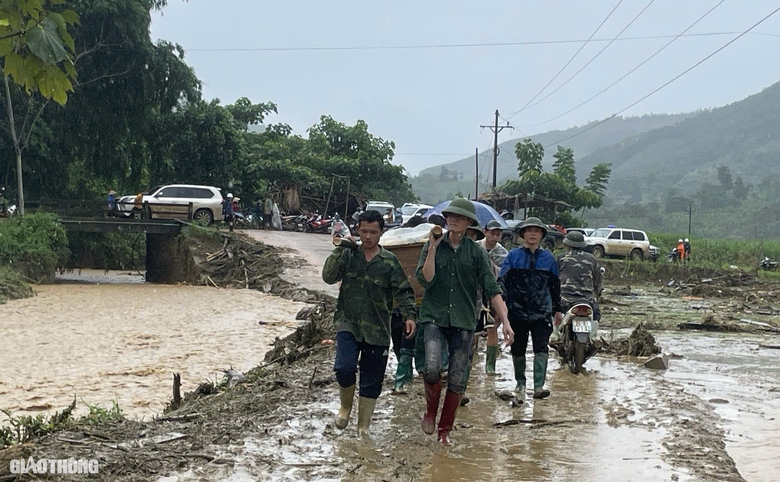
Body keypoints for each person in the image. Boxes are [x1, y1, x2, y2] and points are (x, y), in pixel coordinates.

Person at [416, 197, 513, 445]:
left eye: (458, 216)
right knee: (433, 367)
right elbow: (425, 280)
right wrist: (434, 248)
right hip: (434, 316)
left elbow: (492, 289)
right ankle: (430, 412)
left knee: (459, 377)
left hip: (463, 320)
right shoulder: (432, 245)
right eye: (450, 215)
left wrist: (506, 321)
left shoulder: (477, 252)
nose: (453, 219)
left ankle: (444, 431)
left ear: (469, 222)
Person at [322, 209, 417, 437]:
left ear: (381, 233)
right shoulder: (349, 255)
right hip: (348, 323)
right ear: (357, 230)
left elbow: (403, 291)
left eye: (373, 232)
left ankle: (363, 428)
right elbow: (328, 276)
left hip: (378, 329)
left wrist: (410, 316)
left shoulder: (389, 262)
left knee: (371, 380)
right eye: (363, 231)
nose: (367, 236)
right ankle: (345, 407)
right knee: (344, 368)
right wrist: (341, 248)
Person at [499, 217, 562, 402]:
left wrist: (557, 309)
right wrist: (502, 306)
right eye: (529, 230)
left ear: (542, 235)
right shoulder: (513, 256)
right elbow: (502, 282)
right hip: (516, 310)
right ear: (523, 234)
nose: (533, 234)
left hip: (542, 311)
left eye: (537, 230)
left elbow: (555, 286)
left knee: (541, 348)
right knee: (517, 348)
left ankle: (538, 386)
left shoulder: (549, 259)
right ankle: (520, 384)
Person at [479, 220, 509, 375]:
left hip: (493, 293)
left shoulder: (502, 254)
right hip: (475, 293)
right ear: (485, 232)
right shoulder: (476, 247)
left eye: (498, 234)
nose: (495, 236)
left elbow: (503, 276)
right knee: (471, 330)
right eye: (492, 233)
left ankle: (490, 366)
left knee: (492, 328)